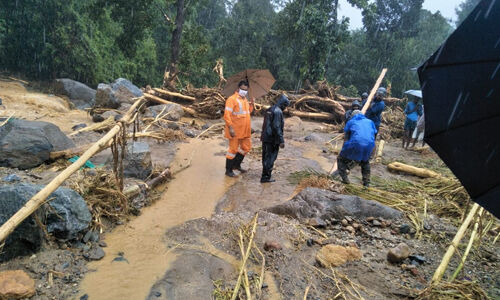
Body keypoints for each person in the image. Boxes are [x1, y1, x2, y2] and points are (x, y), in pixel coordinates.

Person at [337, 110, 377, 187]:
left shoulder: (351, 121)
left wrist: (343, 151)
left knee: (341, 159)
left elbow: (346, 138)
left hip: (356, 143)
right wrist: (372, 150)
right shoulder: (370, 122)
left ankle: (345, 180)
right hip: (370, 144)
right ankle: (366, 183)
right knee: (365, 162)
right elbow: (374, 136)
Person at [224, 80, 254, 177]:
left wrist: (252, 104)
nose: (244, 91)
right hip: (235, 130)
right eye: (242, 89)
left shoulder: (245, 100)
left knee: (246, 148)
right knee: (232, 150)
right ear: (238, 88)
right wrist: (231, 128)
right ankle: (228, 170)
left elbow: (247, 112)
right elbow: (227, 115)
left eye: (246, 90)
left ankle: (236, 165)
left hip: (245, 130)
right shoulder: (231, 99)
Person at [260, 94, 290, 183]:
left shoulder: (269, 109)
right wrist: (281, 140)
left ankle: (264, 175)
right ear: (283, 104)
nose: (285, 108)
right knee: (271, 158)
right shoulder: (278, 112)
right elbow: (276, 127)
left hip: (265, 137)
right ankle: (265, 177)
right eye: (286, 106)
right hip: (272, 139)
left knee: (265, 157)